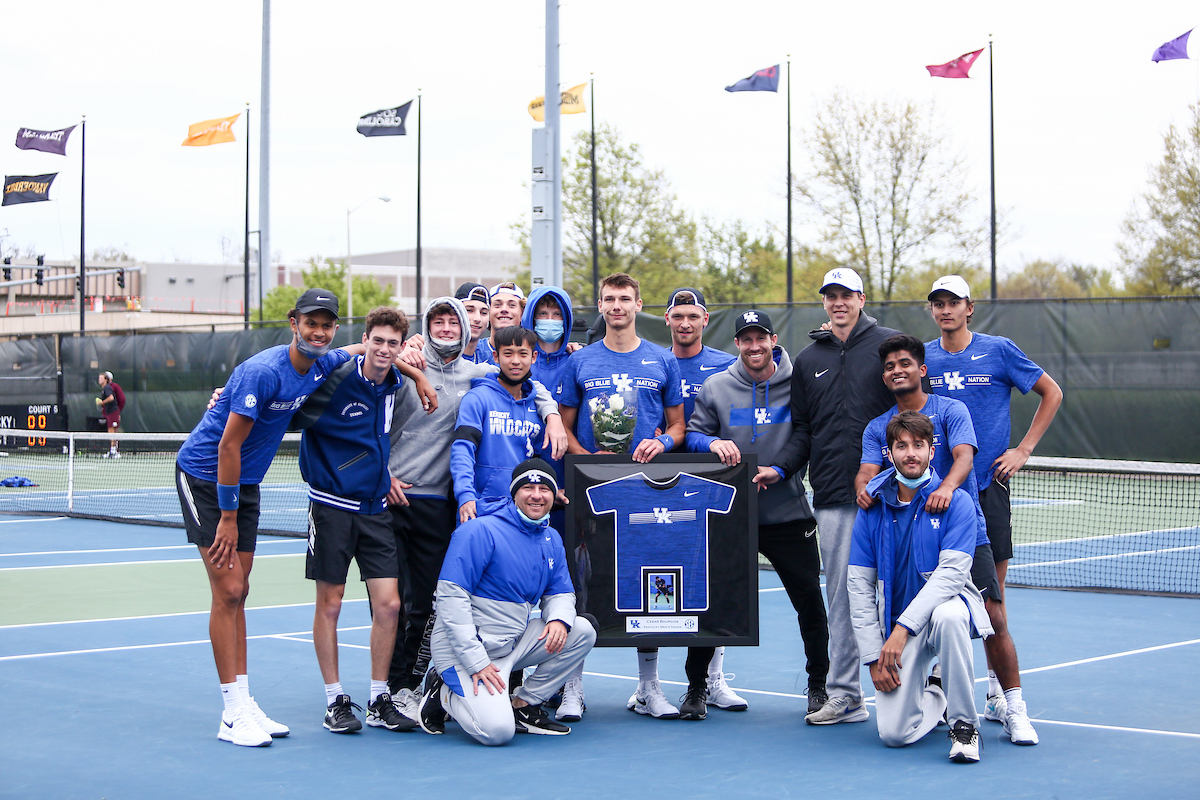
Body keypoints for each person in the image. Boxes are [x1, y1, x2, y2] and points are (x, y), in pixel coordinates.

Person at [175, 288, 435, 747]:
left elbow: (361, 350)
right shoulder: (262, 372)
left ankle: (244, 702)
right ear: (293, 322)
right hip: (206, 475)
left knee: (240, 592)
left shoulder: (322, 362)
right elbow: (228, 446)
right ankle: (232, 711)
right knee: (229, 591)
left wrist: (416, 375)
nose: (318, 332)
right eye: (310, 323)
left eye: (326, 325)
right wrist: (228, 517)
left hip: (246, 482)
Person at [385, 297, 565, 719]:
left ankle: (510, 690)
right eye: (508, 353)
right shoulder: (479, 394)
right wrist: (467, 497)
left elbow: (535, 449)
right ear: (495, 355)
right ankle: (404, 685)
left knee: (515, 601)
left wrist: (553, 417)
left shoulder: (496, 382)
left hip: (518, 518)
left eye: (524, 354)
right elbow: (463, 450)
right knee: (420, 602)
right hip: (463, 510)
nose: (515, 360)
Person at [924, 275, 1061, 744]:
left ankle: (1000, 697)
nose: (945, 310)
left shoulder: (999, 350)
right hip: (936, 494)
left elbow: (1052, 392)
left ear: (970, 307)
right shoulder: (922, 358)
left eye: (953, 302)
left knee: (992, 604)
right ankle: (938, 691)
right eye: (938, 303)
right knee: (933, 595)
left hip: (987, 489)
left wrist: (1023, 449)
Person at [685, 309, 829, 720]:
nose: (754, 346)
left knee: (809, 602)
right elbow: (693, 434)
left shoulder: (797, 382)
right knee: (712, 603)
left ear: (773, 340)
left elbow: (805, 433)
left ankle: (819, 686)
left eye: (760, 338)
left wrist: (779, 469)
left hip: (788, 514)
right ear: (737, 344)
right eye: (746, 339)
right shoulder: (716, 386)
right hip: (731, 516)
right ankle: (696, 687)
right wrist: (711, 444)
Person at [776, 268, 901, 725]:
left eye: (846, 294)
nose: (838, 302)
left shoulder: (890, 346)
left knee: (899, 594)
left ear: (861, 299)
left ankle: (913, 691)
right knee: (842, 599)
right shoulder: (808, 359)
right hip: (831, 494)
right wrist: (780, 468)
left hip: (892, 494)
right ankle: (846, 695)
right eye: (831, 295)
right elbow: (802, 429)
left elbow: (913, 410)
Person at [557, 272, 685, 719]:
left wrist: (662, 443)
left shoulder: (662, 359)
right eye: (609, 299)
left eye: (625, 299)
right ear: (600, 306)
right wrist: (588, 460)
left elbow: (678, 425)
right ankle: (572, 687)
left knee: (647, 582)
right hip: (592, 491)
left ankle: (649, 687)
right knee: (583, 585)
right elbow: (564, 429)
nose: (617, 306)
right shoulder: (580, 362)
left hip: (644, 492)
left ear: (638, 305)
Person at [293, 306, 418, 735]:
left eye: (392, 343)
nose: (384, 349)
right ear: (365, 340)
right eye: (376, 341)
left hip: (375, 509)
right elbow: (289, 401)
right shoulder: (334, 378)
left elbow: (381, 428)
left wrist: (418, 376)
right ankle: (334, 700)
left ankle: (379, 698)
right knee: (330, 603)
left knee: (390, 605)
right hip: (331, 507)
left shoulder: (395, 383)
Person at [847, 411, 994, 763]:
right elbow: (859, 586)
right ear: (889, 453)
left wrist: (902, 629)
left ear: (931, 451)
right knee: (895, 735)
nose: (910, 453)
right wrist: (873, 655)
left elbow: (950, 577)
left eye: (918, 445)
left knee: (949, 615)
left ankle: (964, 726)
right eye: (901, 446)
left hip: (936, 617)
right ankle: (938, 692)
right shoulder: (871, 507)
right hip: (897, 629)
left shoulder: (957, 502)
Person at [417, 458, 597, 745]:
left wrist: (558, 619)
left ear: (553, 496)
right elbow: (451, 599)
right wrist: (476, 662)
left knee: (582, 630)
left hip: (509, 646)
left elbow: (560, 593)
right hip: (462, 652)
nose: (536, 495)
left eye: (544, 489)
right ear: (514, 493)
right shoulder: (478, 530)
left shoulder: (551, 538)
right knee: (497, 733)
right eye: (528, 488)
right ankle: (444, 694)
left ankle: (524, 704)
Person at [662, 287, 748, 718]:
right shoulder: (655, 362)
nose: (685, 323)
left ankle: (713, 680)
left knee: (712, 585)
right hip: (661, 485)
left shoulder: (726, 364)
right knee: (656, 583)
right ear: (667, 319)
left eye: (692, 315)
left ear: (705, 320)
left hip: (713, 487)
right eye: (678, 315)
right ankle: (647, 685)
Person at [472, 282, 526, 364]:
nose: (504, 309)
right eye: (497, 305)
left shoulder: (530, 352)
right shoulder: (472, 350)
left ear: (522, 314)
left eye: (511, 305)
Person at [96, 371, 125, 458]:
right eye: (99, 378)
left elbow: (111, 397)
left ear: (106, 379)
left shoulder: (108, 388)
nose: (99, 380)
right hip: (110, 412)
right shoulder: (105, 388)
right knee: (110, 431)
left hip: (113, 412)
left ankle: (115, 451)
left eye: (101, 378)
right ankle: (112, 450)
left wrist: (102, 402)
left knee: (113, 431)